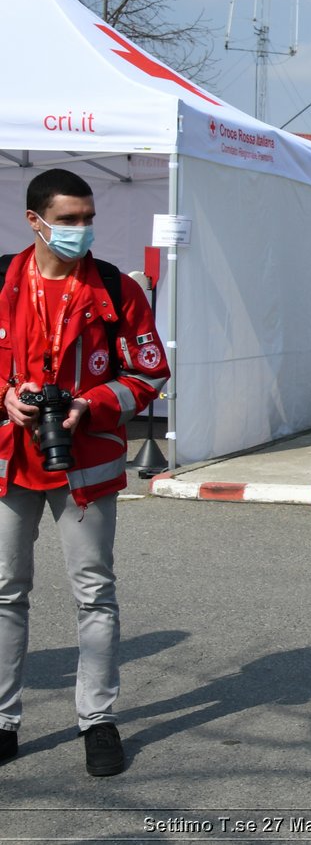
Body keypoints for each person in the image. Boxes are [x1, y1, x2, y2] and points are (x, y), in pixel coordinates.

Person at [0, 168, 169, 776]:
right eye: (68, 219)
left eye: (87, 218)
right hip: (10, 462)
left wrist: (88, 404)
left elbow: (150, 375)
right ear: (35, 221)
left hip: (87, 464)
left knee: (94, 593)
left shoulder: (118, 288)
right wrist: (6, 397)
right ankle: (3, 720)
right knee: (4, 594)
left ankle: (97, 720)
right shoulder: (2, 281)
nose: (81, 230)